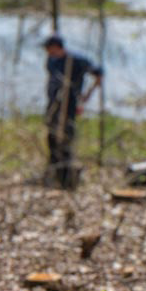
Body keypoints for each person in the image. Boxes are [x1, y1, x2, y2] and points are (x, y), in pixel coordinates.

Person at [42, 34, 101, 188]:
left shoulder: (76, 61)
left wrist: (87, 95)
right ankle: (54, 172)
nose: (47, 51)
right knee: (51, 138)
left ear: (57, 47)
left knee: (67, 140)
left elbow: (98, 74)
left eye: (49, 48)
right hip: (53, 105)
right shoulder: (51, 61)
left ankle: (68, 178)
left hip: (69, 106)